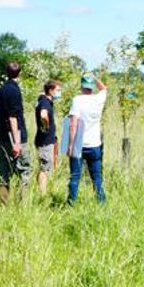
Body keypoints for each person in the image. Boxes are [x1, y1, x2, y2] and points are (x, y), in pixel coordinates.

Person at [0, 62, 30, 204]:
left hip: (2, 137)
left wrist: (0, 129)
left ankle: (3, 203)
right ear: (20, 73)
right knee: (23, 171)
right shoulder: (14, 91)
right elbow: (13, 117)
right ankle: (22, 204)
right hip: (15, 137)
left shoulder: (0, 91)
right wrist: (17, 143)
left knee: (4, 172)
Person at [67, 73, 108, 205]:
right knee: (96, 177)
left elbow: (73, 124)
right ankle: (101, 203)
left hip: (79, 144)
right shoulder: (98, 99)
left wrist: (70, 145)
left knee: (75, 177)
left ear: (81, 86)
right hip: (95, 144)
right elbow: (104, 88)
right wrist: (94, 77)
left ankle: (71, 204)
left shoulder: (77, 100)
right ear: (91, 87)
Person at [34, 80, 61, 195]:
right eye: (58, 90)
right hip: (45, 141)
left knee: (44, 167)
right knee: (45, 169)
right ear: (50, 90)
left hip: (46, 140)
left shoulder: (45, 101)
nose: (59, 93)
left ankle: (41, 191)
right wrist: (46, 126)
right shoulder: (44, 102)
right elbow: (43, 115)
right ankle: (42, 194)